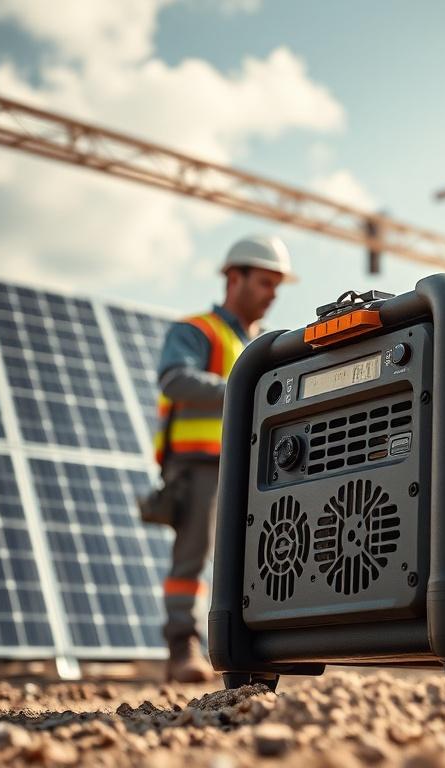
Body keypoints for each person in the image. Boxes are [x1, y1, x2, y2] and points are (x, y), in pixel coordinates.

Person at [153, 235, 296, 682]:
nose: (272, 293)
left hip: (248, 470)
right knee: (192, 562)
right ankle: (182, 650)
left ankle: (250, 651)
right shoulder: (196, 331)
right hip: (199, 466)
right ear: (234, 277)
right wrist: (242, 388)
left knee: (256, 560)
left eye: (277, 285)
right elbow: (175, 381)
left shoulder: (259, 342)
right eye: (265, 282)